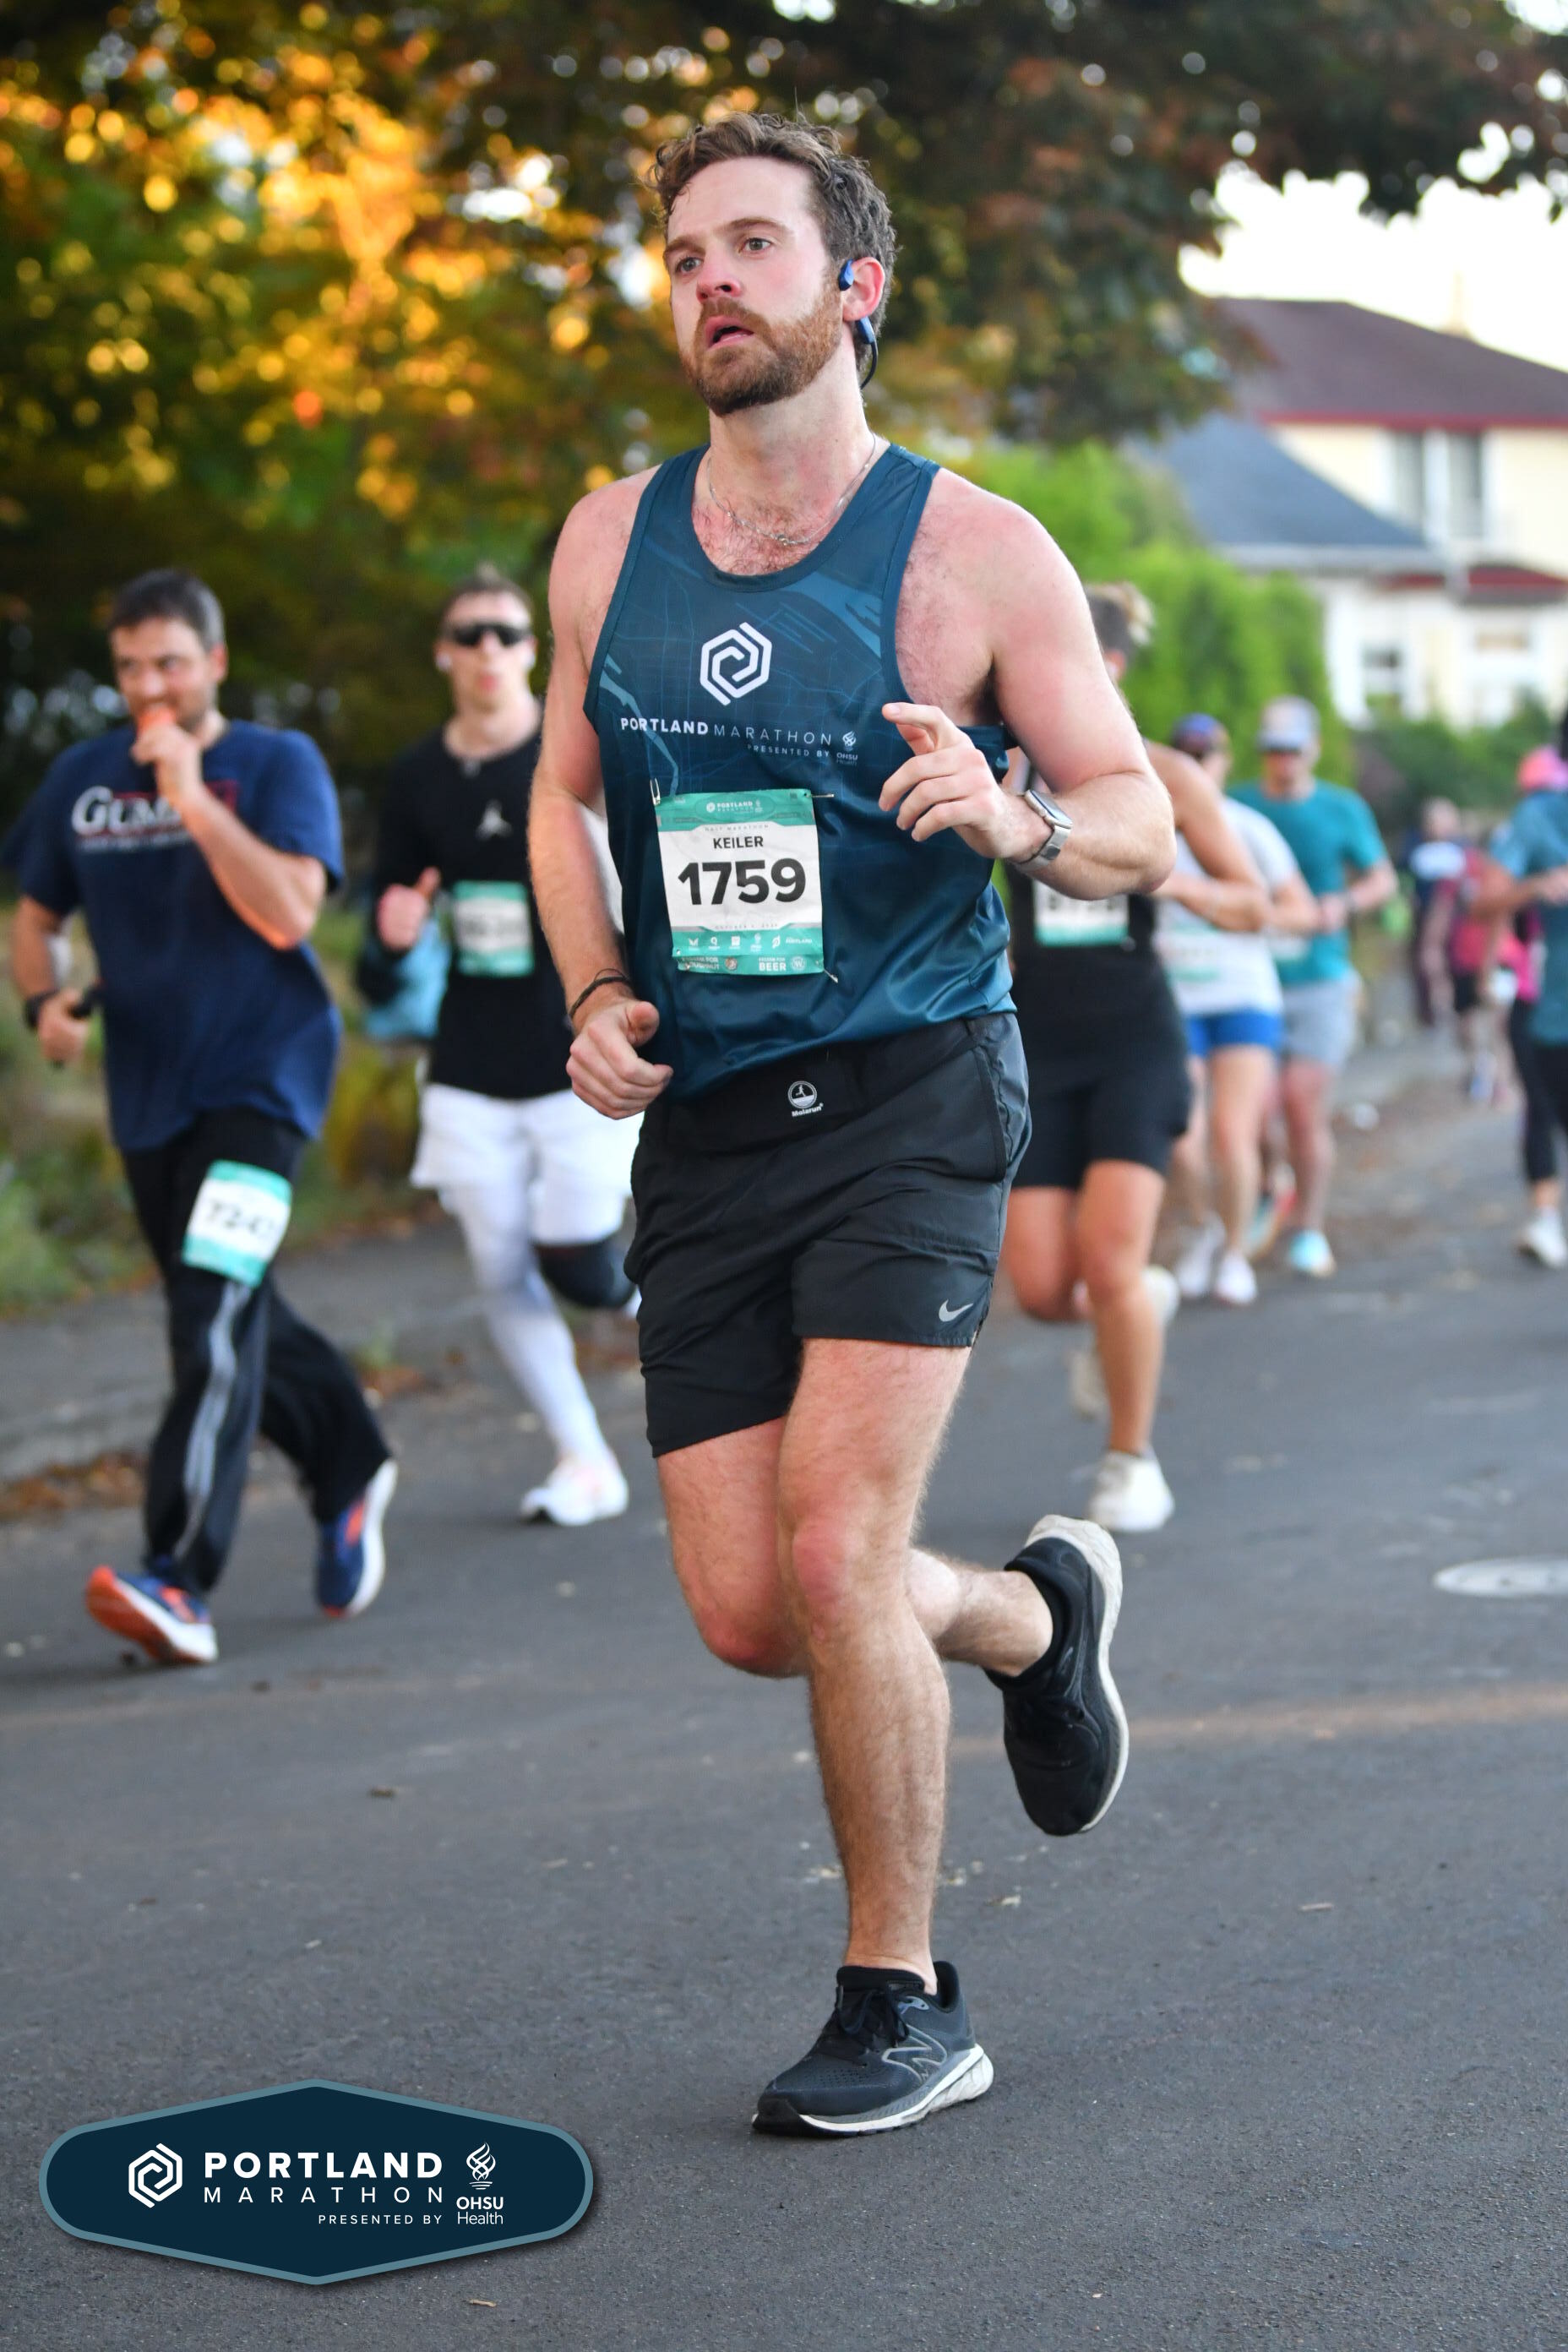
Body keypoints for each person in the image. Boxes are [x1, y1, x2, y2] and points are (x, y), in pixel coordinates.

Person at [527, 112, 1176, 2137]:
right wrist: (595, 993)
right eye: (682, 254)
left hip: (911, 1088)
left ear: (853, 287)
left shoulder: (976, 550)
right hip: (708, 1117)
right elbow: (559, 795)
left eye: (752, 243)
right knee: (755, 1611)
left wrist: (1015, 817)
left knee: (834, 1545)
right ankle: (1031, 1620)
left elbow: (1134, 817)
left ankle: (902, 1997)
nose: (709, 279)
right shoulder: (603, 542)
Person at [4, 569, 395, 1667]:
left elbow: (290, 912)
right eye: (129, 667)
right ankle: (351, 1460)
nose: (148, 687)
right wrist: (44, 1002)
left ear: (214, 663)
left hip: (263, 1082)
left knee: (211, 1311)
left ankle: (176, 1576)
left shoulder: (274, 764)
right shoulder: (82, 779)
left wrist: (190, 797)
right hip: (149, 1092)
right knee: (220, 1301)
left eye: (169, 664)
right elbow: (36, 918)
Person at [373, 567, 638, 1527]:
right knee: (499, 1269)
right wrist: (391, 936)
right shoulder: (416, 778)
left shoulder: (576, 758)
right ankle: (582, 1457)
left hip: (576, 1058)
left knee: (578, 1262)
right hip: (468, 1067)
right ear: (443, 654)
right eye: (469, 634)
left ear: (532, 652)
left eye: (506, 633)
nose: (487, 649)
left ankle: (692, 1315)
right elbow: (381, 951)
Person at [1001, 621, 1267, 1533]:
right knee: (1043, 1290)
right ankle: (1129, 1319)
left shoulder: (1164, 774)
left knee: (1113, 1261)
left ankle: (1129, 1459)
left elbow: (1254, 903)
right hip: (1036, 1042)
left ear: (1107, 667)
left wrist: (1170, 877)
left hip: (1133, 1042)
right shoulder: (1005, 767)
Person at [1230, 698, 1396, 1278]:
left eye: (1292, 750)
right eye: (1273, 751)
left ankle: (1309, 1228)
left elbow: (1381, 879)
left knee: (1302, 1105)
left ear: (1313, 750)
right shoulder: (1239, 806)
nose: (1283, 761)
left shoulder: (1341, 807)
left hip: (1321, 977)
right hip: (1253, 979)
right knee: (1256, 1114)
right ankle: (1272, 1184)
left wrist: (1342, 904)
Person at [1162, 714, 1317, 1307]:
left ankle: (1233, 1253)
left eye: (1208, 755)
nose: (1198, 766)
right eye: (1186, 755)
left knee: (1233, 1134)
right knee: (1182, 1136)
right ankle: (1204, 1228)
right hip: (1175, 999)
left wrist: (1235, 911)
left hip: (1244, 997)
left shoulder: (1247, 829)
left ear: (1226, 761)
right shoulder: (1149, 825)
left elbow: (1300, 911)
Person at [1473, 744, 1568, 1269]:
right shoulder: (1532, 830)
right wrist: (1490, 971)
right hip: (1539, 995)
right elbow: (1491, 909)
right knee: (1539, 1104)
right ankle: (1546, 1216)